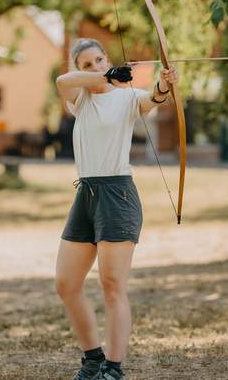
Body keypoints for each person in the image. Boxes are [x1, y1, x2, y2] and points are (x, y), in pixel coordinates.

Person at [54, 38, 178, 380]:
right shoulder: (80, 98)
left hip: (117, 194)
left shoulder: (128, 97)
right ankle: (93, 358)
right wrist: (105, 77)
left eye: (99, 60)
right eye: (87, 64)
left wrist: (165, 83)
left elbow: (154, 97)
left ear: (107, 58)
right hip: (86, 195)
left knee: (112, 284)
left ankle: (114, 367)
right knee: (66, 283)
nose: (95, 66)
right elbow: (62, 82)